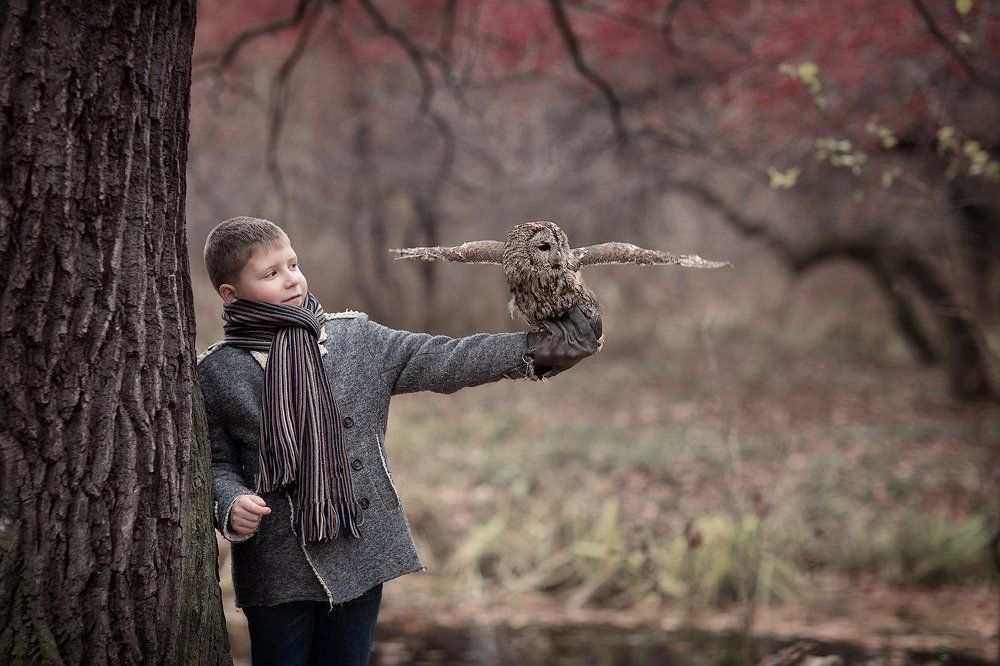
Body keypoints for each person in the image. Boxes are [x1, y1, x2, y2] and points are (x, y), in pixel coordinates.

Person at [197, 216, 600, 665]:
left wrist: (537, 349)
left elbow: (447, 358)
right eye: (271, 274)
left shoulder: (357, 340)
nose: (291, 279)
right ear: (230, 294)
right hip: (276, 566)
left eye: (293, 265)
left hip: (361, 547)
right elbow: (213, 462)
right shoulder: (217, 372)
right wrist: (230, 503)